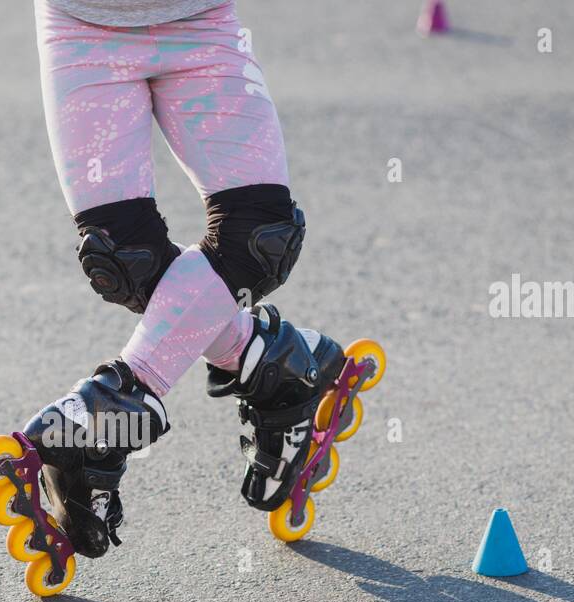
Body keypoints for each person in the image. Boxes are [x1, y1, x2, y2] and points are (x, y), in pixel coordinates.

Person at [19, 0, 351, 560]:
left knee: (258, 239)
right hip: (82, 29)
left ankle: (117, 404)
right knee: (127, 260)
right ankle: (271, 366)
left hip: (202, 23)